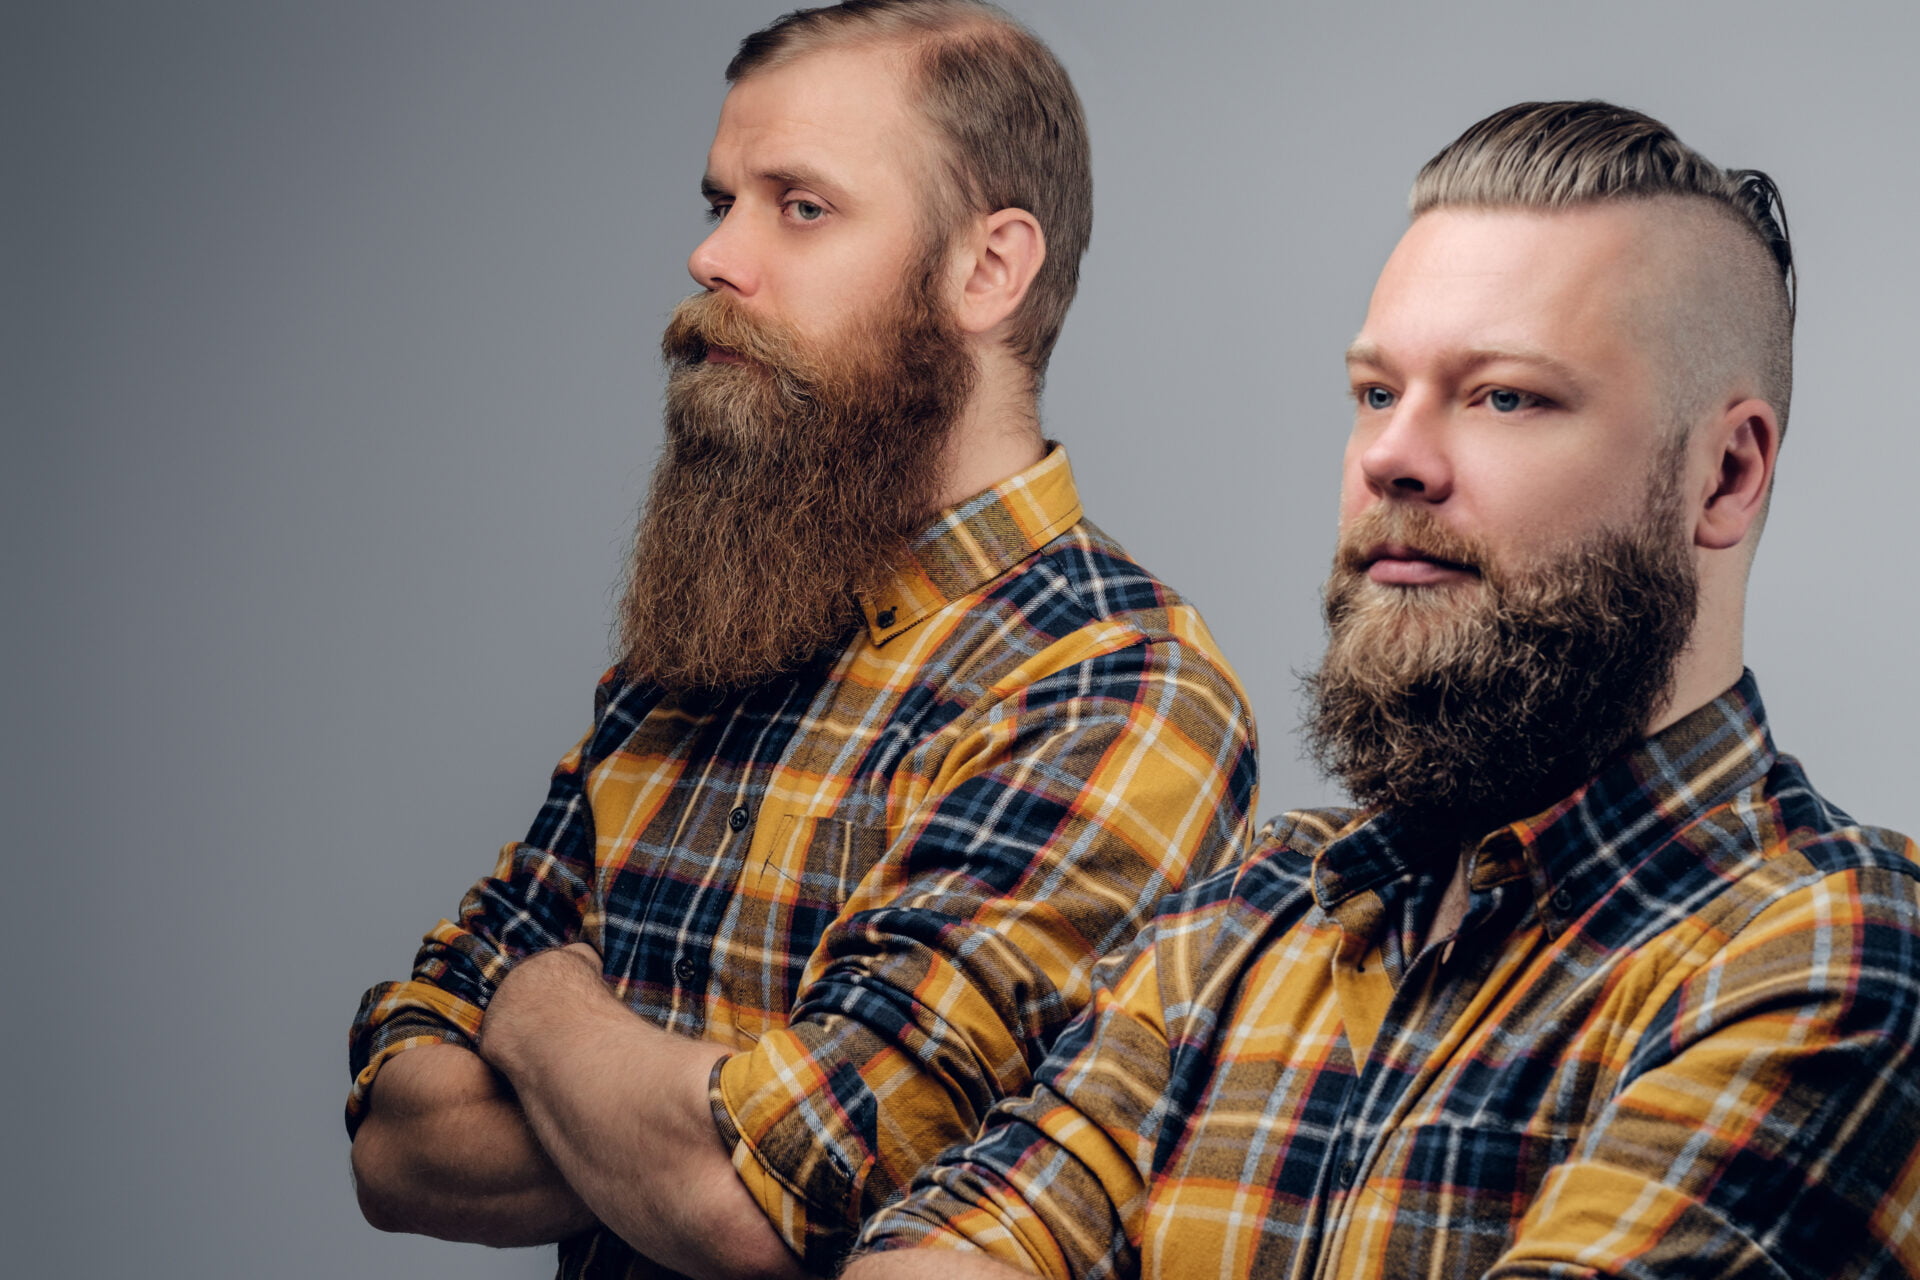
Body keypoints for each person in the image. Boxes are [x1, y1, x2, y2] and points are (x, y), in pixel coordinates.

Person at [848, 100, 1920, 1280]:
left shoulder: (1834, 952)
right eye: (1374, 391)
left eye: (1505, 395)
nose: (1390, 457)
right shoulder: (1244, 919)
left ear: (1725, 474)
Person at [344, 3, 1258, 1278]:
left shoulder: (1115, 690)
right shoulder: (702, 641)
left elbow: (756, 1203)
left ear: (988, 269)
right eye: (721, 201)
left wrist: (544, 1009)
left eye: (801, 207)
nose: (716, 257)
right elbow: (396, 1137)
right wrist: (716, 1113)